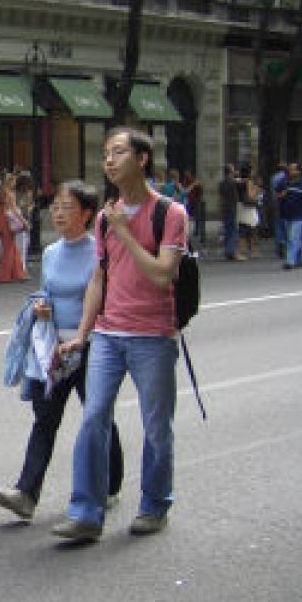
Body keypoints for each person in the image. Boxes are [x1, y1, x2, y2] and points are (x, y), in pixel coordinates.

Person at [51, 127, 189, 541]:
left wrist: (124, 230)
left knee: (156, 425)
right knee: (94, 418)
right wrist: (83, 333)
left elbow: (163, 273)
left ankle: (154, 506)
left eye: (118, 152)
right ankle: (86, 514)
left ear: (142, 159)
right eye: (106, 154)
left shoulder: (170, 214)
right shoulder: (105, 219)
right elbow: (99, 278)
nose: (109, 161)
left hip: (153, 335)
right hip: (109, 334)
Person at [0, 181, 124, 521]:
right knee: (44, 420)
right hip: (54, 350)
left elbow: (107, 299)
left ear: (87, 213)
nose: (59, 213)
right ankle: (26, 493)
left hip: (92, 347)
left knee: (97, 417)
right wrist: (42, 309)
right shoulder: (51, 253)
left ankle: (110, 485)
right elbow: (48, 291)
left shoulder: (100, 251)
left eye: (67, 207)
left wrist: (85, 333)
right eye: (56, 207)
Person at [0, 177, 28, 283]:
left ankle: (18, 274)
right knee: (9, 248)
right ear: (10, 182)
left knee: (10, 247)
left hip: (0, 220)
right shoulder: (10, 194)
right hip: (8, 221)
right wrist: (24, 222)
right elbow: (14, 210)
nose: (15, 183)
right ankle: (6, 275)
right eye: (14, 181)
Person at [277, 162, 302, 269]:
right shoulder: (283, 182)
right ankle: (300, 259)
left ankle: (290, 261)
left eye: (293, 169)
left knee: (293, 237)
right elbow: (277, 194)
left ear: (298, 171)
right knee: (292, 238)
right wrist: (281, 195)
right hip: (286, 214)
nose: (291, 171)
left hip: (299, 215)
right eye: (290, 169)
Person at [217, 164, 244, 261]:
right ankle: (232, 252)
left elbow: (220, 197)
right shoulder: (233, 182)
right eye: (233, 170)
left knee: (228, 230)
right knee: (233, 230)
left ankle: (228, 251)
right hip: (232, 208)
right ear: (230, 172)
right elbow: (236, 195)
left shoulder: (222, 183)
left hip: (225, 208)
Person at [236, 166, 260, 259]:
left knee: (242, 229)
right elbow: (250, 196)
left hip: (240, 206)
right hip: (249, 208)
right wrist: (256, 191)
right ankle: (251, 251)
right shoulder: (248, 182)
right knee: (251, 229)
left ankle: (246, 251)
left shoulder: (238, 181)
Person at [182, 170, 204, 252]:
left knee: (197, 217)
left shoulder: (195, 182)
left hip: (195, 201)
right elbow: (185, 191)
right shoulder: (187, 182)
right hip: (190, 201)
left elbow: (200, 190)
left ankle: (197, 230)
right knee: (189, 216)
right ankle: (195, 230)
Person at [270, 164, 288, 259]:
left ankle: (279, 244)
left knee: (278, 225)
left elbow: (273, 191)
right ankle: (284, 243)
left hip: (276, 202)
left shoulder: (273, 178)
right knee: (285, 224)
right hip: (284, 203)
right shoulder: (285, 178)